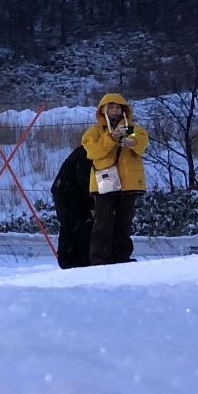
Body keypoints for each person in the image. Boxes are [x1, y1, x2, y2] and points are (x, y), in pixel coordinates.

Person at [81, 92, 147, 265]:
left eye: (118, 107)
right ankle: (100, 260)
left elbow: (141, 139)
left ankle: (122, 257)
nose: (115, 110)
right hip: (104, 183)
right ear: (103, 110)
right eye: (111, 107)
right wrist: (111, 138)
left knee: (124, 222)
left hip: (129, 183)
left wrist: (132, 142)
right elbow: (92, 151)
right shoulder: (95, 131)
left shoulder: (130, 128)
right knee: (103, 222)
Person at [50, 141, 94, 269]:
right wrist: (92, 206)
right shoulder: (88, 154)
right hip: (68, 193)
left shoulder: (87, 151)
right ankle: (70, 261)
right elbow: (85, 181)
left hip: (69, 191)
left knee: (75, 225)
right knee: (73, 225)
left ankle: (75, 260)